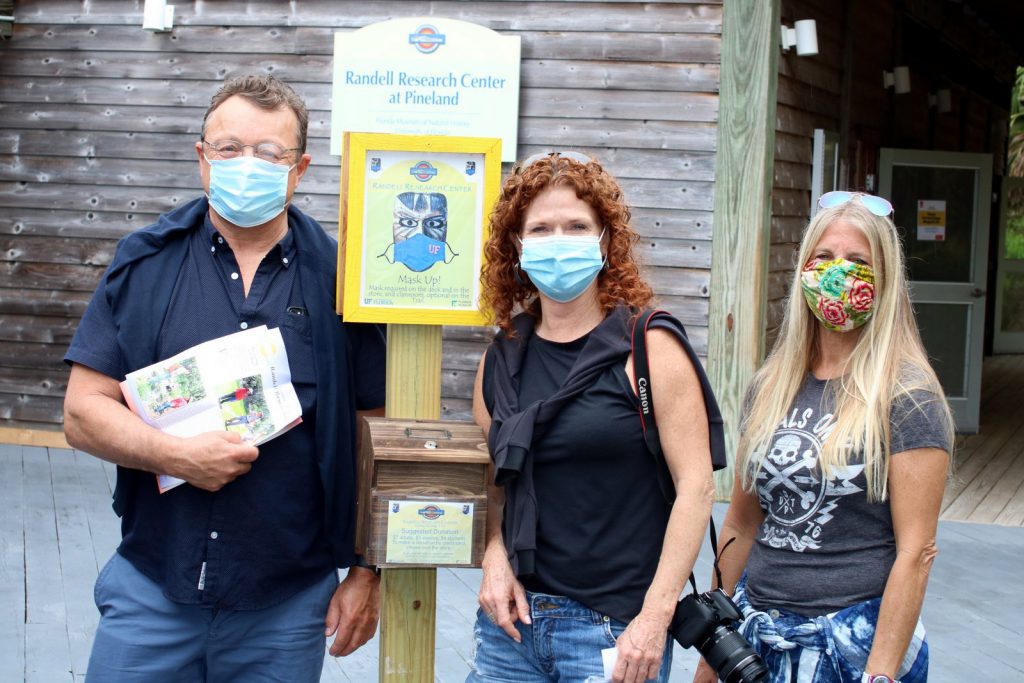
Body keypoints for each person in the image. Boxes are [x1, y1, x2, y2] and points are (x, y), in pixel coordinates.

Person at [63, 74, 386, 682]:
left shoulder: (344, 280)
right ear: (201, 158)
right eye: (229, 148)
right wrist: (175, 455)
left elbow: (375, 432)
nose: (247, 165)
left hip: (286, 605)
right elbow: (83, 411)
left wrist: (368, 569)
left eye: (269, 153)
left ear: (300, 168)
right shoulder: (143, 262)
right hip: (153, 587)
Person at [467, 152, 724, 683]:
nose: (559, 239)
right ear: (516, 246)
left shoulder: (649, 348)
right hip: (512, 626)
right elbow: (493, 486)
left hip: (614, 631)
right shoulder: (501, 358)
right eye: (540, 228)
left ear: (605, 241)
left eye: (577, 226)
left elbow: (696, 488)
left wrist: (656, 616)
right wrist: (494, 558)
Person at [692, 191, 954, 683]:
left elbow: (915, 551)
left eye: (858, 261)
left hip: (849, 647)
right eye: (825, 257)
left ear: (886, 279)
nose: (838, 272)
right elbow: (742, 525)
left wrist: (879, 674)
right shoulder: (770, 386)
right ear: (803, 270)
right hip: (757, 642)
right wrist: (713, 649)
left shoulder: (909, 395)